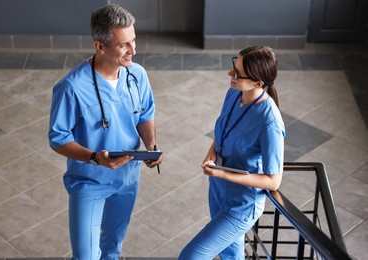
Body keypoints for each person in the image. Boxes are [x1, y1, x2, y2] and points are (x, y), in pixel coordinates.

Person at [48, 4, 162, 260]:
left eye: (133, 41)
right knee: (86, 255)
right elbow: (58, 139)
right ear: (100, 46)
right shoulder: (71, 88)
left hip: (128, 178)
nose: (133, 50)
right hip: (89, 181)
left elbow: (144, 114)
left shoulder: (137, 75)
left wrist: (152, 145)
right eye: (124, 45)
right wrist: (95, 158)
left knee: (112, 247)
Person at [179, 46, 285, 260]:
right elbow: (223, 132)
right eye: (233, 66)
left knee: (191, 256)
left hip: (241, 205)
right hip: (218, 191)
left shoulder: (269, 121)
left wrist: (223, 174)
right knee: (230, 253)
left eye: (237, 73)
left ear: (258, 83)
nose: (230, 74)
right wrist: (211, 154)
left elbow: (274, 181)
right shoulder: (234, 93)